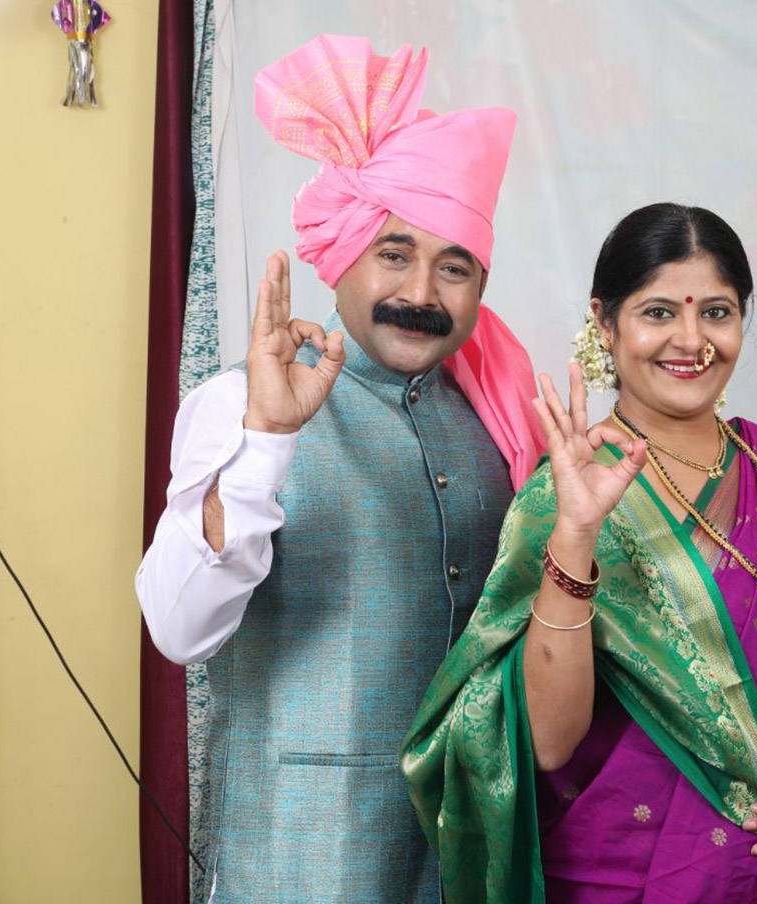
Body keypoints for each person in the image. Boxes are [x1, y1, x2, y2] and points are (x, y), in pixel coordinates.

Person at [136, 35, 543, 903]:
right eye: (394, 253)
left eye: (454, 267)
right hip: (301, 864)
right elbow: (179, 629)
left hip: (464, 863)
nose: (421, 293)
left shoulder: (501, 419)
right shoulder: (244, 401)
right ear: (344, 253)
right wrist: (265, 442)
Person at [404, 203, 757, 903]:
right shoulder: (562, 500)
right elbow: (547, 741)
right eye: (658, 312)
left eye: (717, 313)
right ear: (605, 323)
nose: (691, 341)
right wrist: (577, 535)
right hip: (630, 877)